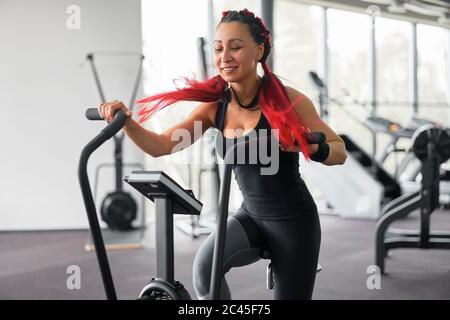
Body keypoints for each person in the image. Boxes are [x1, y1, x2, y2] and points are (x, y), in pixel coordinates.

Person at [98, 9, 346, 300]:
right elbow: (162, 144)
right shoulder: (216, 107)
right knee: (205, 268)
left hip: (294, 221)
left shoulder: (288, 100)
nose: (225, 56)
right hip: (251, 215)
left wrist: (312, 146)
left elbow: (338, 151)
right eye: (218, 48)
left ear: (259, 50)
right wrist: (126, 122)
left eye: (236, 47)